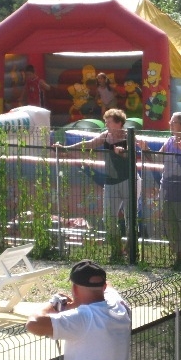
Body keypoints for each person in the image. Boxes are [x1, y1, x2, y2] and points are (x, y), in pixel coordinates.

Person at [54, 108, 132, 258]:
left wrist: (122, 153)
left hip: (128, 180)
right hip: (110, 181)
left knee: (130, 217)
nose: (106, 124)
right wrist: (65, 148)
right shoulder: (105, 135)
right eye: (105, 121)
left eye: (108, 121)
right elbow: (89, 144)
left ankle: (130, 249)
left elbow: (132, 156)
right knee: (108, 217)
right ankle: (117, 249)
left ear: (119, 123)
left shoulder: (129, 136)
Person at [140, 112, 181, 269]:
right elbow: (157, 158)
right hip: (167, 189)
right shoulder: (169, 141)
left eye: (174, 122)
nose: (170, 124)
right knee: (170, 225)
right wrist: (145, 149)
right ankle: (178, 257)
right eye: (171, 122)